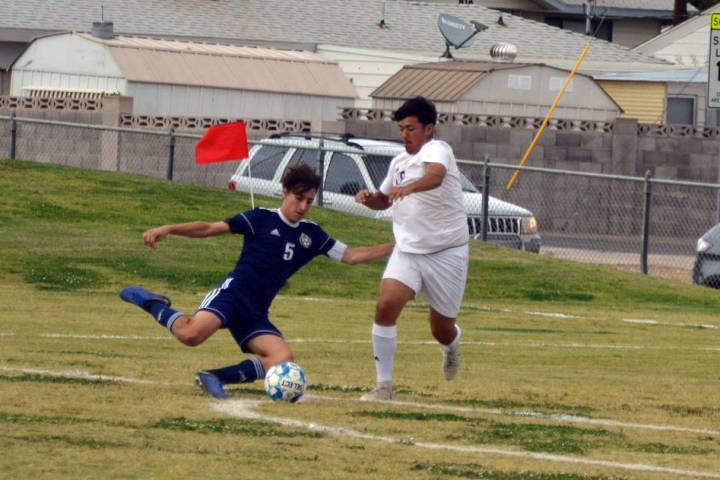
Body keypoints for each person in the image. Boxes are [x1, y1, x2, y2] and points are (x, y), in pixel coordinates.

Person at [120, 163, 394, 399]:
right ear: (284, 191)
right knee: (190, 335)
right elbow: (208, 228)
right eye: (298, 198)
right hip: (233, 295)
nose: (302, 206)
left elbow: (350, 255)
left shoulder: (312, 235)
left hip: (256, 310)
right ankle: (153, 303)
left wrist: (395, 246)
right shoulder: (259, 218)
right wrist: (169, 228)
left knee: (282, 359)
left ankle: (214, 376)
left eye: (309, 201)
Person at [355, 96, 469, 401]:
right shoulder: (398, 163)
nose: (405, 135)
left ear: (429, 129)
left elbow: (435, 176)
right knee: (385, 306)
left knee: (440, 330)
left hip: (447, 252)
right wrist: (371, 199)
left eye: (411, 128)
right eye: (402, 129)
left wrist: (411, 186)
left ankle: (452, 344)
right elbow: (385, 199)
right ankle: (383, 387)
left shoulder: (438, 150)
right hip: (407, 250)